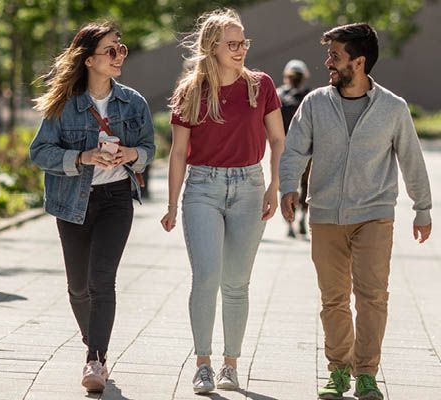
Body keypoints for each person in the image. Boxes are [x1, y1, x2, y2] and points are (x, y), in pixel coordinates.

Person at [279, 23, 432, 400]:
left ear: (359, 62)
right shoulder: (315, 102)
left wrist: (422, 207)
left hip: (374, 215)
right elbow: (295, 148)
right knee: (333, 298)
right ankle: (338, 371)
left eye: (335, 56)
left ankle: (366, 373)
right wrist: (287, 186)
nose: (327, 62)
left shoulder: (392, 108)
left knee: (372, 296)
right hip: (326, 214)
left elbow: (412, 159)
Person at [160, 9, 285, 394]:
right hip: (202, 188)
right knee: (207, 277)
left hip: (250, 186)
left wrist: (274, 186)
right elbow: (178, 153)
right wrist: (171, 203)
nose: (240, 49)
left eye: (243, 42)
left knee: (236, 283)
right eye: (232, 43)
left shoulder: (260, 85)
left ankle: (231, 364)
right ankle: (203, 364)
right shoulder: (191, 91)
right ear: (212, 47)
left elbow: (279, 139)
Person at [29, 22, 155, 392]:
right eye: (111, 50)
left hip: (116, 199)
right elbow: (39, 152)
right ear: (88, 60)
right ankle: (93, 344)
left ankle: (95, 359)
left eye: (122, 49)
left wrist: (134, 154)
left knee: (102, 281)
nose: (119, 56)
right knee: (78, 287)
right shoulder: (63, 104)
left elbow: (149, 148)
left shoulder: (133, 102)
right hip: (72, 203)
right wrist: (82, 157)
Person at [276, 59, 311, 238]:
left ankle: (290, 223)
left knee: (287, 184)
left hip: (284, 148)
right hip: (308, 147)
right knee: (306, 184)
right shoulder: (310, 96)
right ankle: (302, 218)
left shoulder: (279, 95)